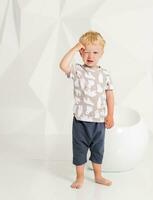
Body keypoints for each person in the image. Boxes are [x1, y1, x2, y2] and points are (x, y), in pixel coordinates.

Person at [59, 31, 114, 189]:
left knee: (98, 150)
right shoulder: (77, 70)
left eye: (95, 52)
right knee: (79, 150)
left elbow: (110, 95)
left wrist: (110, 114)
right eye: (86, 51)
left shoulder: (105, 74)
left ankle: (98, 176)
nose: (90, 56)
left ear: (102, 53)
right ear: (81, 52)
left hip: (98, 122)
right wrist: (74, 48)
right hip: (81, 121)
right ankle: (80, 177)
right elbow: (62, 65)